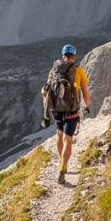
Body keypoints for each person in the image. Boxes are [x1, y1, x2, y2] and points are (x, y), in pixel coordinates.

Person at [42, 44, 92, 184]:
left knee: (59, 135)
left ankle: (61, 162)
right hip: (72, 110)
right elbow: (85, 92)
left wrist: (46, 112)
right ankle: (63, 168)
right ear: (74, 56)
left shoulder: (54, 71)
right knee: (68, 139)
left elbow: (46, 91)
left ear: (63, 56)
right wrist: (87, 106)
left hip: (56, 110)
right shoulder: (79, 71)